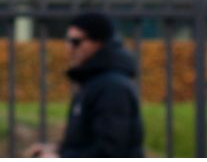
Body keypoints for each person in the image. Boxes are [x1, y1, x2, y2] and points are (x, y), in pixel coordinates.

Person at [25, 12, 144, 158]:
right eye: (67, 41)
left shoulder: (112, 87)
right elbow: (86, 141)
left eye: (76, 42)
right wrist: (56, 150)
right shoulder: (94, 82)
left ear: (97, 43)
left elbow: (110, 150)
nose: (69, 48)